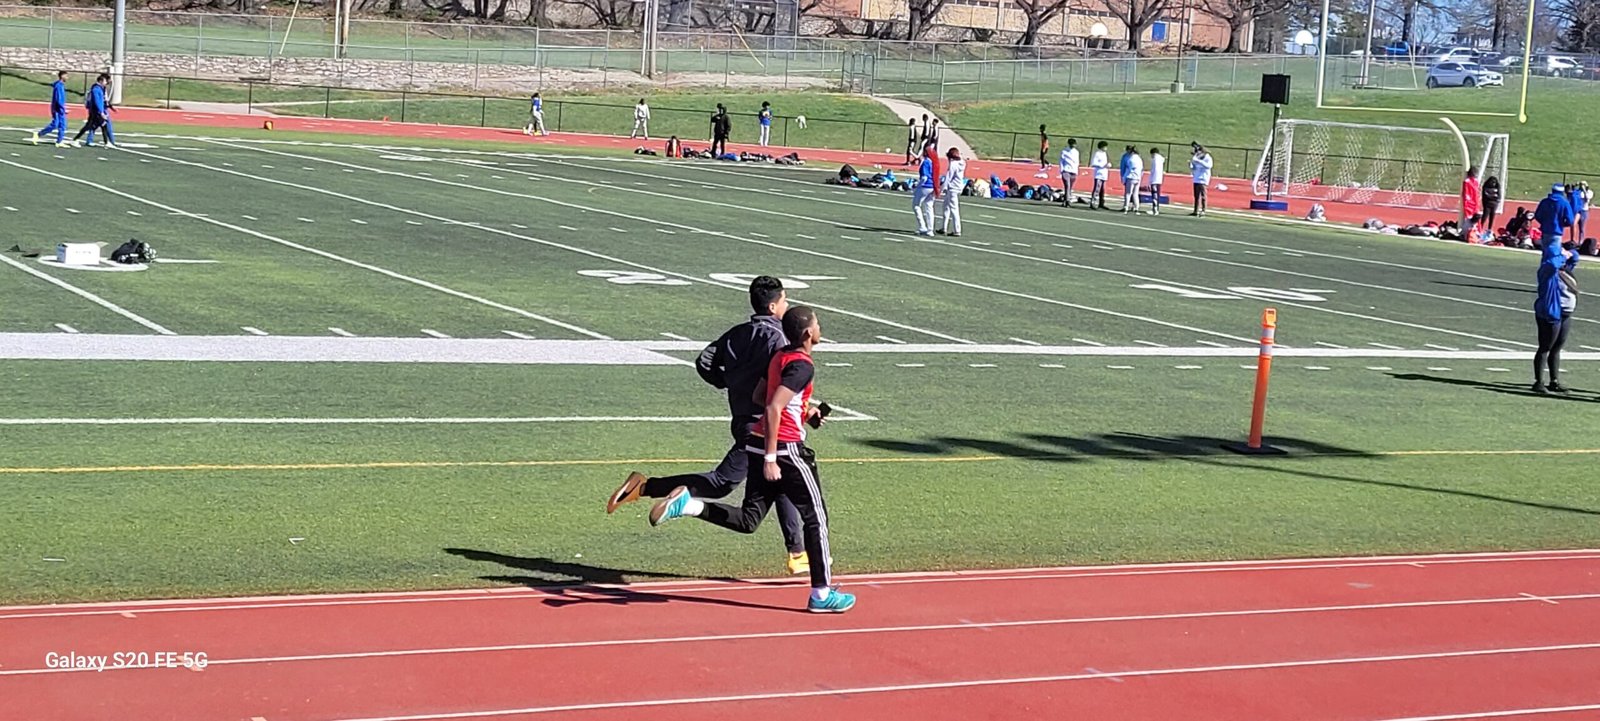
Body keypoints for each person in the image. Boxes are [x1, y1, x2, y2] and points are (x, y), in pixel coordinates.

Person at [649, 305, 855, 614]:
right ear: (808, 333)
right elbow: (772, 407)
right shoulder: (802, 366)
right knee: (816, 517)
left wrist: (804, 413)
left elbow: (761, 397)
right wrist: (772, 457)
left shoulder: (780, 356)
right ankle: (821, 594)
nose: (820, 329)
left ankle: (688, 505)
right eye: (818, 325)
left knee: (749, 520)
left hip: (758, 443)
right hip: (785, 450)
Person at [609, 276, 810, 574]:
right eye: (784, 300)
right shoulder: (779, 338)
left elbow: (705, 361)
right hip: (762, 426)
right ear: (772, 306)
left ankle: (797, 552)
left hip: (741, 416)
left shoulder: (738, 332)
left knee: (779, 482)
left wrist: (729, 383)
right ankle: (647, 487)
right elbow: (781, 381)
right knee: (722, 483)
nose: (787, 304)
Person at [70, 73, 115, 149]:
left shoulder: (99, 89)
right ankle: (75, 139)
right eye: (105, 81)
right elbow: (97, 102)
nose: (106, 83)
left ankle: (106, 142)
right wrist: (101, 112)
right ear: (100, 81)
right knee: (89, 126)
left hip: (96, 111)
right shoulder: (96, 89)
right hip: (95, 112)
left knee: (103, 125)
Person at [30, 70, 69, 147]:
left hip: (60, 108)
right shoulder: (58, 86)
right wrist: (63, 108)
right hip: (57, 108)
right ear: (62, 76)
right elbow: (59, 99)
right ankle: (38, 134)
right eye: (66, 76)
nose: (67, 78)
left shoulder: (61, 85)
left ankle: (59, 141)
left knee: (62, 125)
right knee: (55, 124)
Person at [913, 143, 940, 236]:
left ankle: (922, 226)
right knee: (929, 207)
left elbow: (924, 177)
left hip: (925, 186)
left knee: (916, 205)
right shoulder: (934, 163)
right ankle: (930, 229)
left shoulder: (926, 162)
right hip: (932, 186)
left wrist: (917, 186)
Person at [940, 147, 966, 237]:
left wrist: (941, 188)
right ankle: (944, 227)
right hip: (958, 187)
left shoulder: (953, 164)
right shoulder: (962, 162)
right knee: (946, 207)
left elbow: (948, 177)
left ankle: (957, 230)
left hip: (953, 188)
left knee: (954, 209)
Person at [1190, 143, 1214, 217]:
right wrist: (1191, 165)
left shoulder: (1208, 158)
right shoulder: (1196, 158)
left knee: (1203, 195)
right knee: (1196, 196)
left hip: (1203, 179)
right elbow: (1194, 167)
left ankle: (1203, 210)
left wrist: (1199, 161)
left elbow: (1208, 166)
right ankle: (1196, 210)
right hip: (1196, 178)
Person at [1119, 145, 1144, 214]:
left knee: (1128, 193)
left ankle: (1126, 207)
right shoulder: (1139, 159)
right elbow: (1142, 169)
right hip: (1138, 178)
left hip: (1131, 177)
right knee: (1135, 193)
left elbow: (1127, 169)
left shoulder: (1130, 159)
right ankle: (1136, 207)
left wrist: (1123, 178)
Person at [1058, 138, 1079, 208]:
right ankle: (1067, 201)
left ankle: (1065, 200)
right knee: (1067, 185)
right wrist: (1061, 170)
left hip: (1073, 171)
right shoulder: (1064, 151)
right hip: (1066, 170)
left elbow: (1077, 162)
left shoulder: (1076, 152)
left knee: (1070, 187)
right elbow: (1061, 161)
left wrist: (1076, 171)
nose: (1074, 145)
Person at [1089, 141, 1110, 210]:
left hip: (1104, 174)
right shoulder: (1097, 154)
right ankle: (1093, 202)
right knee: (1097, 189)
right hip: (1098, 174)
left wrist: (1108, 165)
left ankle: (1101, 203)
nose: (1106, 148)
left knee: (1102, 190)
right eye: (1105, 146)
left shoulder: (1105, 154)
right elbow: (1094, 163)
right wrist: (1102, 165)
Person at [1481, 175, 1502, 239]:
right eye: (1492, 182)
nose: (1493, 184)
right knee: (1484, 216)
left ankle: (1489, 230)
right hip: (1487, 204)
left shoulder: (1497, 187)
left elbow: (1498, 196)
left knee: (1492, 217)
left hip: (1494, 204)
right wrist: (1493, 197)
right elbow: (1486, 196)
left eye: (1494, 182)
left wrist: (1494, 198)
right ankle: (1480, 228)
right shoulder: (1486, 187)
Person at [1147, 147, 1166, 215]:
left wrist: (1150, 180)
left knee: (1154, 195)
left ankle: (1155, 210)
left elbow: (1154, 170)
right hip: (1159, 179)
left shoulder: (1155, 159)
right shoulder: (1160, 159)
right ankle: (1155, 209)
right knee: (1156, 195)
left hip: (1155, 179)